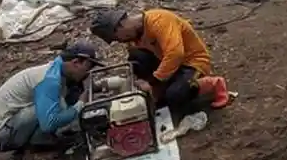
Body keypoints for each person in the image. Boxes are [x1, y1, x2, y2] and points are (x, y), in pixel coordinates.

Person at [90, 7, 230, 116]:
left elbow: (175, 54)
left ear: (120, 26)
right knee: (136, 58)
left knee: (175, 95)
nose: (119, 41)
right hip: (167, 62)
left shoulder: (160, 20)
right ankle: (159, 91)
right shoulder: (134, 36)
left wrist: (151, 81)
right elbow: (137, 59)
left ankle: (214, 83)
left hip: (192, 62)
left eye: (116, 37)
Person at [0, 41, 100, 160]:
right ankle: (33, 151)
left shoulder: (55, 71)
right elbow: (49, 123)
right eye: (87, 69)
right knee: (54, 111)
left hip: (7, 126)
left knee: (57, 105)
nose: (87, 73)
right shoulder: (49, 80)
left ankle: (34, 143)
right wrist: (80, 104)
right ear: (76, 63)